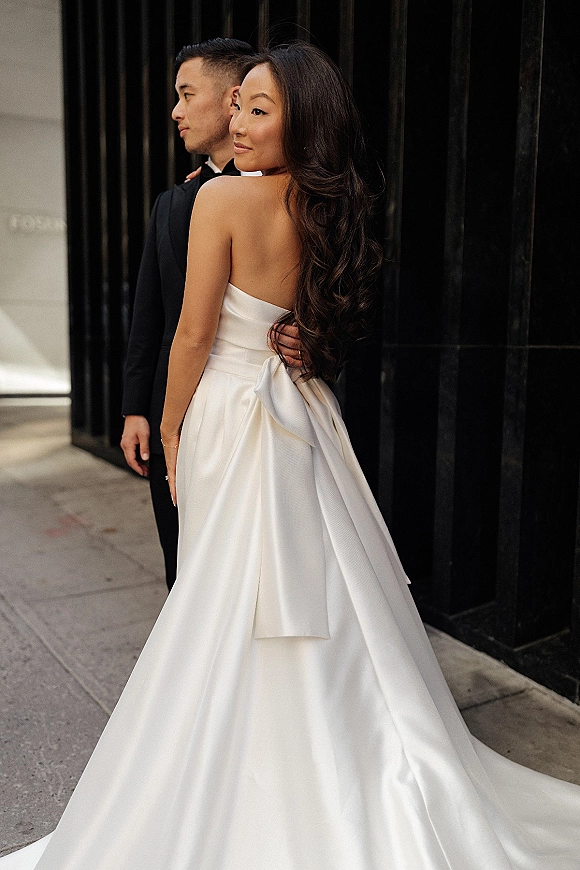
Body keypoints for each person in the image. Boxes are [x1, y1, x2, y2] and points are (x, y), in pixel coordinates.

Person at [2, 41, 580, 870]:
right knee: (319, 582)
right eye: (238, 105)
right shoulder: (318, 204)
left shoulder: (222, 202)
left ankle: (241, 765)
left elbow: (196, 333)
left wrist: (169, 427)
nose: (237, 119)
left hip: (232, 417)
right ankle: (330, 750)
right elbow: (314, 316)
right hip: (301, 415)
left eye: (258, 108)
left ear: (299, 122)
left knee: (225, 592)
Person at [120, 38, 302, 590]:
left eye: (185, 94)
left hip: (267, 408)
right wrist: (137, 409)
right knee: (188, 572)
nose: (175, 111)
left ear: (232, 100)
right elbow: (150, 312)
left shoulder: (303, 197)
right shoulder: (176, 202)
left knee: (267, 573)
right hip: (172, 404)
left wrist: (317, 334)